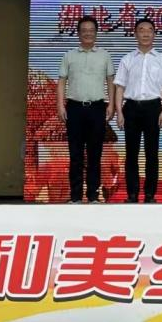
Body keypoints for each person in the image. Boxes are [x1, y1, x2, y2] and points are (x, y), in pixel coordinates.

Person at [55, 15, 114, 204]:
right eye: (84, 30)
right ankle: (75, 197)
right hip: (74, 108)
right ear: (78, 34)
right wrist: (60, 105)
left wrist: (112, 104)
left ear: (96, 33)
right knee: (76, 155)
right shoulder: (69, 55)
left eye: (91, 30)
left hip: (97, 108)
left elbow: (110, 81)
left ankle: (93, 196)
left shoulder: (104, 55)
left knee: (95, 154)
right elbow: (62, 81)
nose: (88, 33)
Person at [114, 17, 162, 204]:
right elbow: (120, 87)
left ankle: (150, 194)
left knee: (151, 153)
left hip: (153, 108)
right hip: (131, 108)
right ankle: (132, 194)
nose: (146, 33)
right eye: (141, 30)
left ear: (154, 34)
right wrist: (119, 112)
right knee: (131, 153)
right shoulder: (127, 59)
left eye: (149, 30)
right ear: (135, 34)